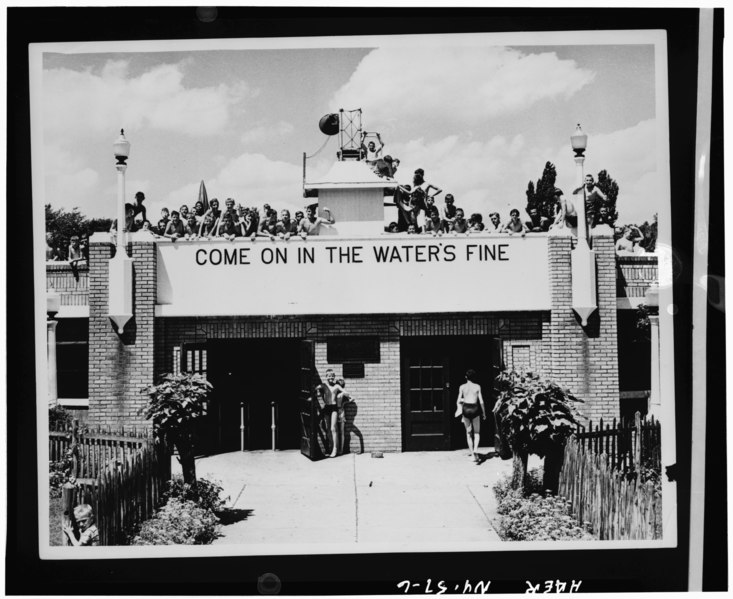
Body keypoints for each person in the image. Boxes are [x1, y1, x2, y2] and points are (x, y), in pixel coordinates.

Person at [454, 369, 486, 464]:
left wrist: (462, 404)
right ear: (474, 377)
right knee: (477, 433)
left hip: (466, 409)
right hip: (475, 408)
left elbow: (459, 400)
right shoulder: (477, 386)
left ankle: (473, 455)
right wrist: (484, 413)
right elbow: (481, 401)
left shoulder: (462, 387)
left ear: (466, 377)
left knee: (468, 434)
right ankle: (476, 449)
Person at [320, 369, 346, 458]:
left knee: (333, 428)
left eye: (332, 376)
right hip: (327, 408)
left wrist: (344, 394)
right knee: (328, 429)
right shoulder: (323, 386)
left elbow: (345, 391)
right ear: (326, 377)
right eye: (329, 376)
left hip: (334, 408)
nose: (331, 377)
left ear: (334, 377)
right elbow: (316, 391)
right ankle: (331, 448)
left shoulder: (336, 386)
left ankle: (335, 449)